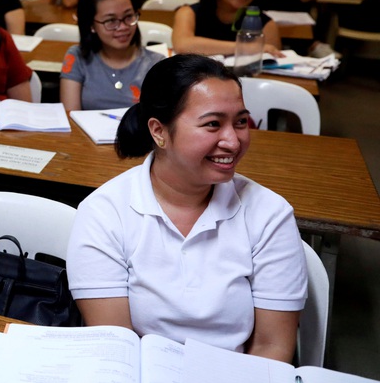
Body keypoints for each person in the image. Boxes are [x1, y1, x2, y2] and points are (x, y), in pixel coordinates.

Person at [67, 54, 307, 362]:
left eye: (241, 122)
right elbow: (116, 348)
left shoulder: (269, 215)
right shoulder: (105, 212)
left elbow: (271, 348)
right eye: (212, 124)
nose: (233, 141)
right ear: (159, 132)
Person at [60, 0, 163, 111]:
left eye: (128, 16)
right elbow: (71, 117)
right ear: (92, 25)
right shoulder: (78, 57)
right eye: (111, 21)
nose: (123, 27)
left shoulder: (157, 64)